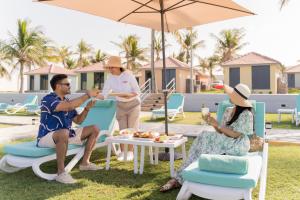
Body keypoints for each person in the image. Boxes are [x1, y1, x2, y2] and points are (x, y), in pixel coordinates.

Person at [160, 83, 254, 192]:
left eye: (231, 95)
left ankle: (179, 178)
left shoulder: (246, 114)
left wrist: (218, 124)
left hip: (238, 143)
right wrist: (212, 123)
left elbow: (235, 135)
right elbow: (220, 132)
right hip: (225, 139)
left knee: (205, 138)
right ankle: (182, 175)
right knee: (203, 136)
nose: (229, 96)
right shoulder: (228, 110)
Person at [37, 74, 102, 184]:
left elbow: (78, 120)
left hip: (66, 135)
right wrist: (87, 95)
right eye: (67, 84)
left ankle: (85, 163)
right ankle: (61, 173)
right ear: (58, 86)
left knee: (94, 128)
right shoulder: (48, 99)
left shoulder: (67, 100)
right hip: (46, 137)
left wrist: (86, 109)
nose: (69, 86)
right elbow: (68, 106)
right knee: (64, 132)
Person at [101, 56, 141, 161]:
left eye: (112, 67)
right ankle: (123, 152)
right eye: (109, 67)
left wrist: (129, 95)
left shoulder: (128, 76)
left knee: (132, 129)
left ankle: (130, 153)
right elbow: (104, 94)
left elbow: (137, 91)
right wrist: (96, 96)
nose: (110, 69)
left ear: (118, 67)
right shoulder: (109, 79)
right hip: (120, 106)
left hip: (133, 104)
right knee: (122, 130)